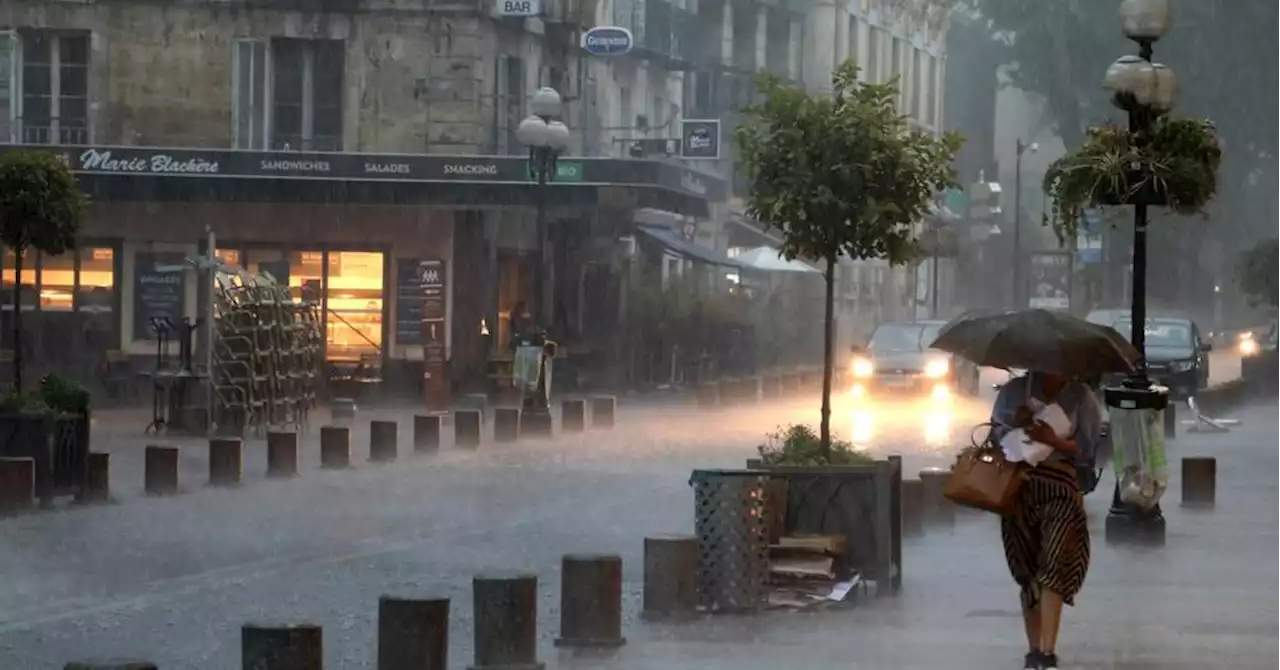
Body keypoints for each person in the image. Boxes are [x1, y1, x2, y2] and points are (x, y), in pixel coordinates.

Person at [988, 370, 1099, 670]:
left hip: (1061, 489)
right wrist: (1018, 423)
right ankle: (1033, 649)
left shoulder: (1081, 397)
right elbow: (994, 436)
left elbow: (1089, 450)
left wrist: (1055, 442)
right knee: (1028, 570)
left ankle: (1047, 653)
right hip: (1018, 489)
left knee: (1054, 563)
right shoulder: (1014, 391)